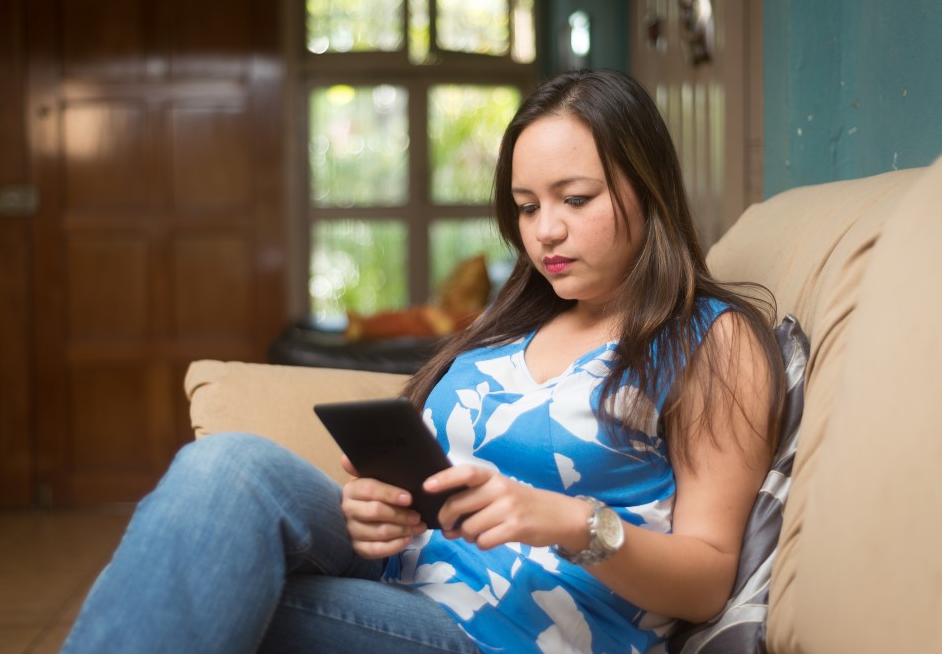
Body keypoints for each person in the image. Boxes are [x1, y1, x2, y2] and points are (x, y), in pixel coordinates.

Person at [61, 69, 785, 654]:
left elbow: (707, 578)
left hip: (498, 634)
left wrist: (566, 520)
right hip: (398, 573)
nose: (546, 231)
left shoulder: (711, 342)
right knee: (227, 469)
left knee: (201, 581)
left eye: (576, 198)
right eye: (526, 207)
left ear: (648, 189)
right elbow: (434, 486)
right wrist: (382, 511)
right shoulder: (515, 323)